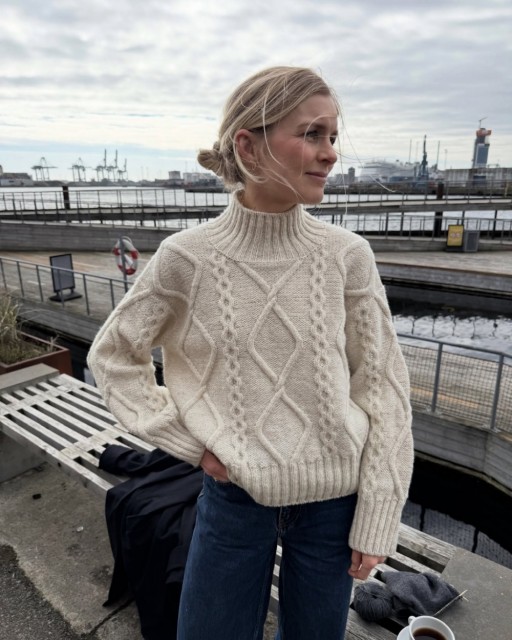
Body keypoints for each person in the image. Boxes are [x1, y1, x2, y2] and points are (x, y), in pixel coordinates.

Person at [87, 65, 414, 640]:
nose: (331, 153)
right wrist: (191, 444)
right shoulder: (186, 258)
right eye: (312, 134)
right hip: (233, 497)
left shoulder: (347, 256)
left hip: (335, 503)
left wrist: (379, 513)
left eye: (332, 136)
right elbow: (113, 355)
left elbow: (383, 388)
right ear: (248, 145)